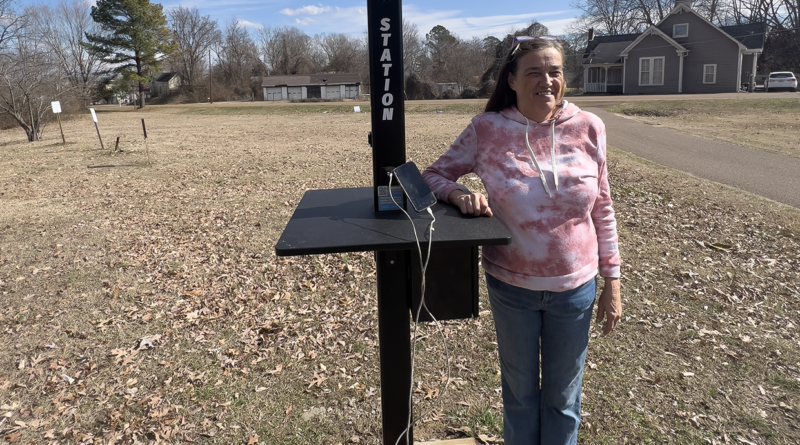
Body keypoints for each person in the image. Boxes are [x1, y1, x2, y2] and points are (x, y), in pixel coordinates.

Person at [422, 36, 622, 445]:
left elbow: (602, 206)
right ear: (512, 80)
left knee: (563, 398)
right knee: (520, 396)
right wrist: (458, 195)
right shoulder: (487, 129)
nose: (546, 81)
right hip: (511, 287)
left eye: (554, 71)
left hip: (576, 289)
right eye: (534, 72)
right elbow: (433, 175)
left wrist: (612, 280)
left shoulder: (589, 127)